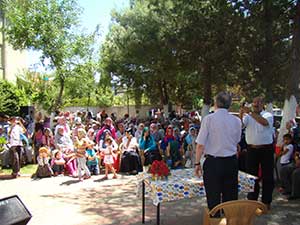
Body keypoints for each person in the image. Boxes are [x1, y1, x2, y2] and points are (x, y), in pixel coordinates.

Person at [194, 91, 242, 211]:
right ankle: (230, 220)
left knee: (213, 199)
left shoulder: (209, 119)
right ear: (229, 105)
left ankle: (215, 220)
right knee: (230, 199)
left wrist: (197, 163)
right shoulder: (237, 121)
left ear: (215, 103)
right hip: (231, 162)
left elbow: (200, 144)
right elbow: (236, 142)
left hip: (214, 163)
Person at [239, 96, 274, 209]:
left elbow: (264, 122)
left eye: (258, 103)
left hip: (266, 149)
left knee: (267, 176)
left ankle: (266, 202)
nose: (255, 104)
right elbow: (241, 125)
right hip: (252, 149)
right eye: (254, 102)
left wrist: (249, 113)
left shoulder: (268, 115)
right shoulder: (248, 117)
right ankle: (252, 200)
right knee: (251, 176)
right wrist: (241, 113)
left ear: (262, 104)